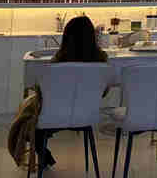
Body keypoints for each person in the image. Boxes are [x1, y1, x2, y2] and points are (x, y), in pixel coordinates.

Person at [37, 16, 108, 170]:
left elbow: (46, 91)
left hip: (55, 115)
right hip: (87, 115)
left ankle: (44, 157)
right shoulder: (101, 59)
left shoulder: (59, 60)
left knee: (28, 121)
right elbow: (103, 92)